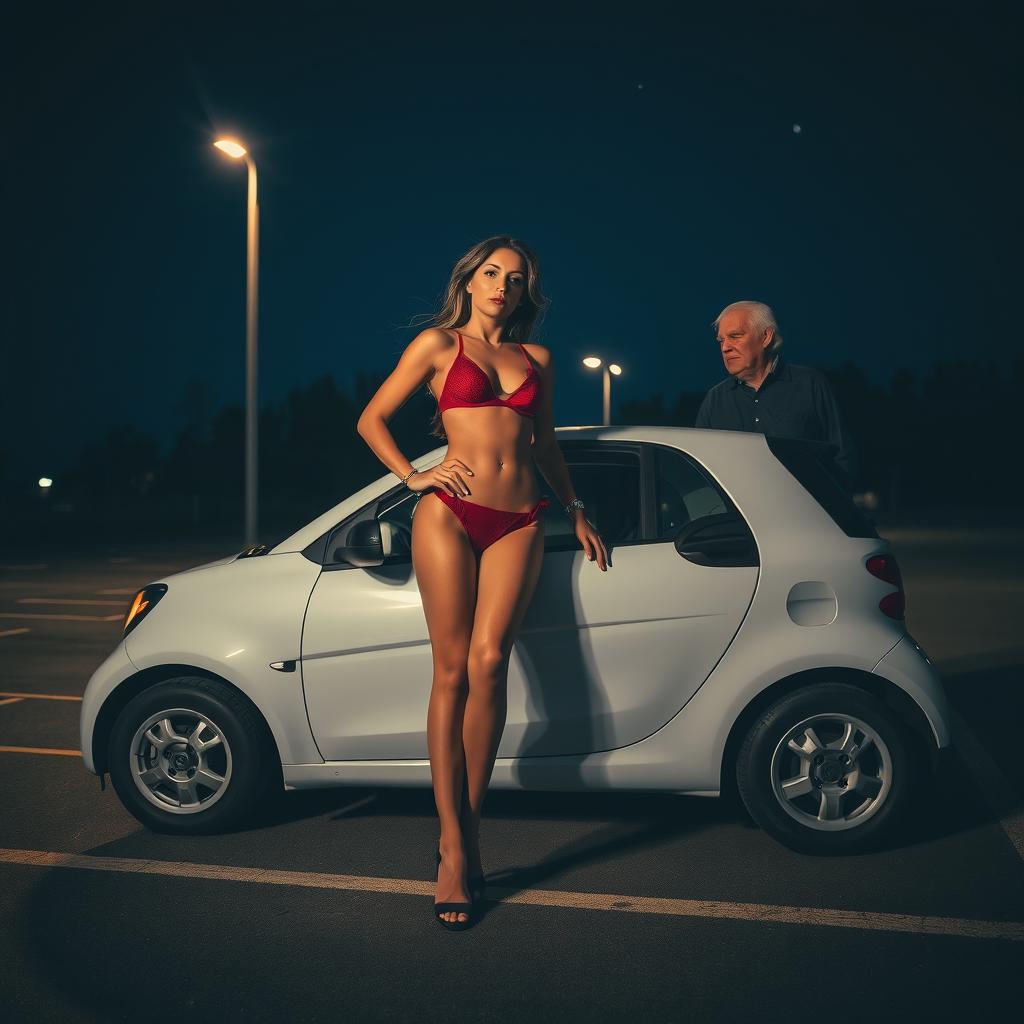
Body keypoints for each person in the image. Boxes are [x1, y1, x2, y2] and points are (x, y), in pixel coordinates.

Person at [356, 236, 609, 930]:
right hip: (448, 514)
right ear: (469, 282)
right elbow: (370, 419)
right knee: (450, 671)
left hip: (521, 516)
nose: (504, 284)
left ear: (527, 293)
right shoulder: (439, 347)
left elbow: (546, 445)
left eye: (517, 278)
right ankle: (453, 850)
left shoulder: (539, 361)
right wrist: (413, 476)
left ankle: (467, 828)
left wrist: (577, 509)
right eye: (493, 273)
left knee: (490, 663)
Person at [695, 300, 858, 488]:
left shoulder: (810, 385)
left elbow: (843, 458)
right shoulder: (714, 400)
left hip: (802, 514)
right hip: (739, 517)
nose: (725, 347)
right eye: (721, 340)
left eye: (735, 336)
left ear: (765, 337)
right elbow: (701, 474)